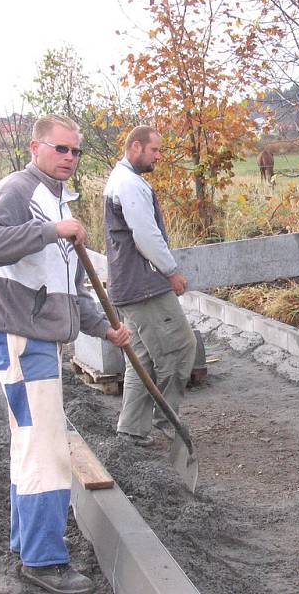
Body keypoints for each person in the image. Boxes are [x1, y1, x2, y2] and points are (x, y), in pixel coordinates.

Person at [0, 114, 130, 594]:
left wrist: (104, 328)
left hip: (40, 336)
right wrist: (50, 230)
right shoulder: (19, 189)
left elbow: (68, 286)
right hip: (23, 337)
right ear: (35, 147)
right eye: (60, 149)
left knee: (31, 444)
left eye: (75, 151)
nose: (69, 158)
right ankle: (44, 561)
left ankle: (28, 544)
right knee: (46, 450)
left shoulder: (59, 199)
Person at [103, 126, 196, 447]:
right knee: (181, 349)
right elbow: (145, 235)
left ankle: (130, 430)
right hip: (143, 286)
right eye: (154, 151)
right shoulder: (129, 184)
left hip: (127, 284)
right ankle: (166, 420)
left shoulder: (122, 180)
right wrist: (171, 271)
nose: (158, 157)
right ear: (136, 147)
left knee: (141, 359)